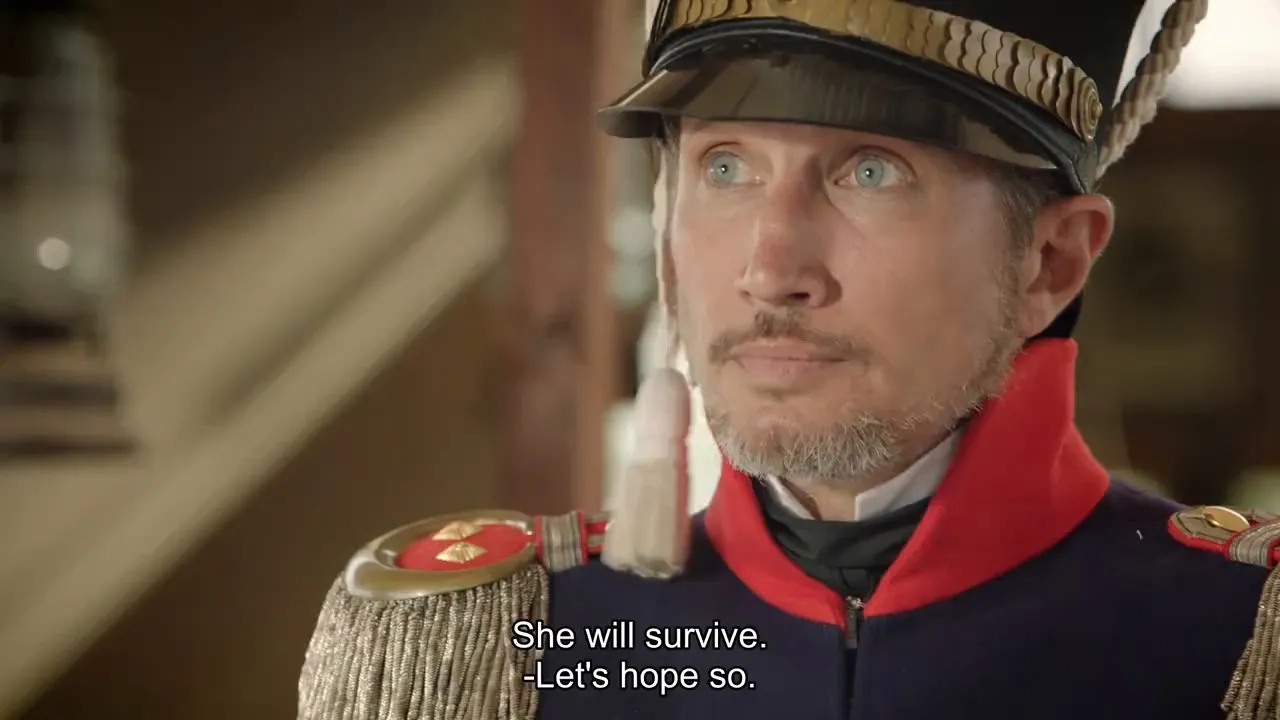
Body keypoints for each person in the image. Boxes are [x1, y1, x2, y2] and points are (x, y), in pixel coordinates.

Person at [296, 1, 1280, 718]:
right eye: (724, 167)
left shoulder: (1233, 640)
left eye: (870, 171)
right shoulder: (501, 654)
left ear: (1050, 262)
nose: (770, 270)